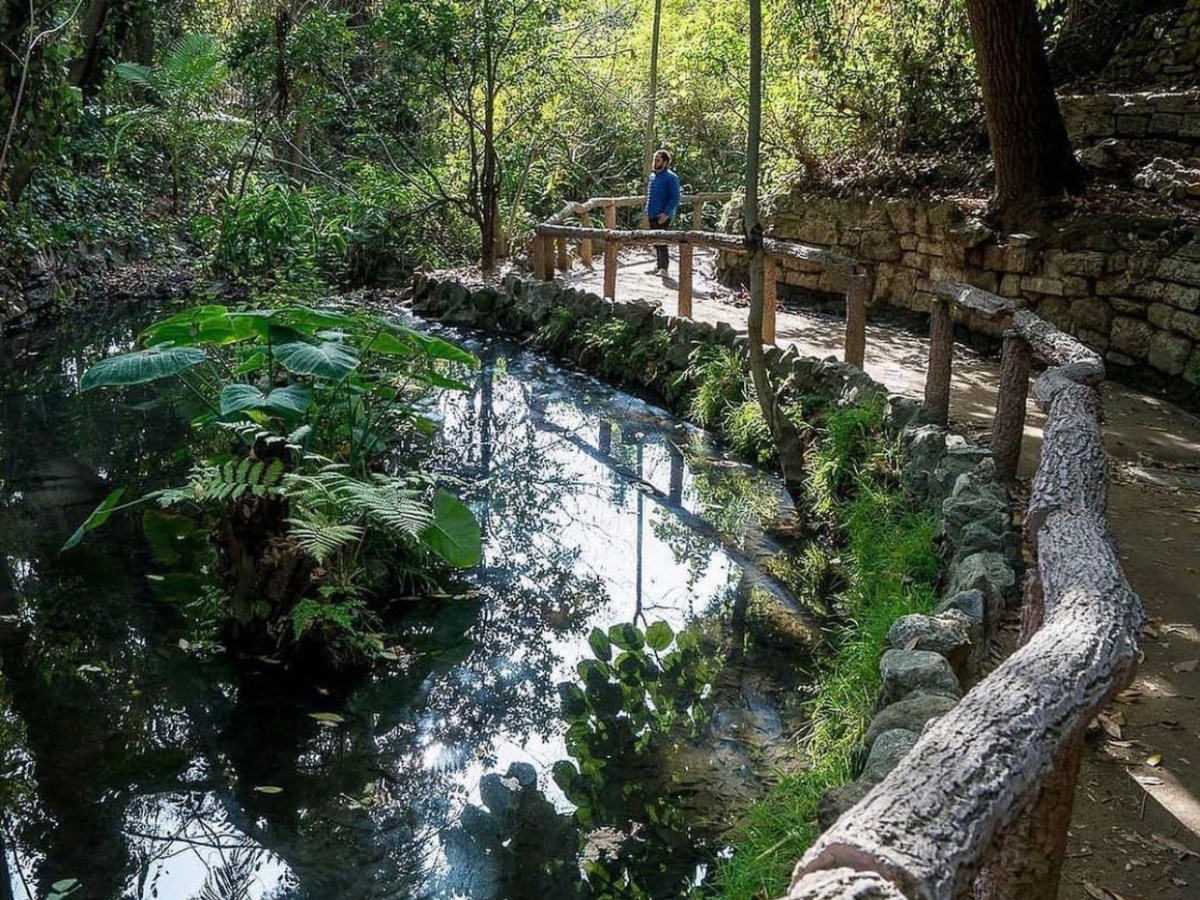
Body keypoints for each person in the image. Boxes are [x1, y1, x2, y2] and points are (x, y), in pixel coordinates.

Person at [644, 149, 681, 277]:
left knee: (662, 241)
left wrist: (666, 213)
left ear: (665, 162)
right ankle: (659, 265)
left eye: (658, 160)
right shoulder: (653, 176)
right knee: (655, 241)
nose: (655, 162)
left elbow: (675, 197)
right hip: (652, 213)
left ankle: (664, 268)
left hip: (663, 215)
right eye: (655, 160)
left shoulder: (671, 177)